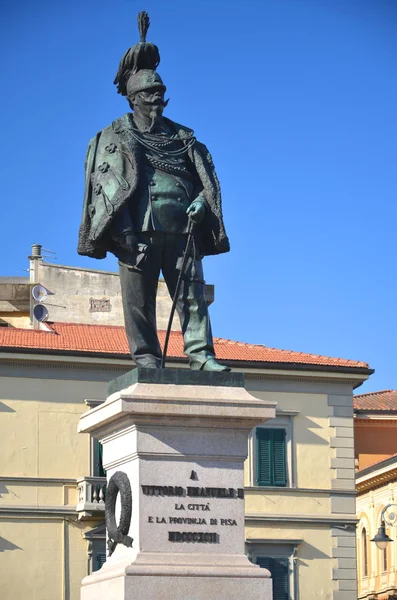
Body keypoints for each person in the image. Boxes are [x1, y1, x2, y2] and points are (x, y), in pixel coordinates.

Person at [78, 12, 230, 371]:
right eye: (150, 94)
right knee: (138, 301)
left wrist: (199, 203)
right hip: (137, 230)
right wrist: (123, 231)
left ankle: (201, 356)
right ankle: (146, 357)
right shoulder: (112, 137)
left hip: (182, 228)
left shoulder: (185, 139)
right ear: (133, 98)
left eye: (161, 94)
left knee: (192, 295)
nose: (157, 100)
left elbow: (203, 182)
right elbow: (106, 186)